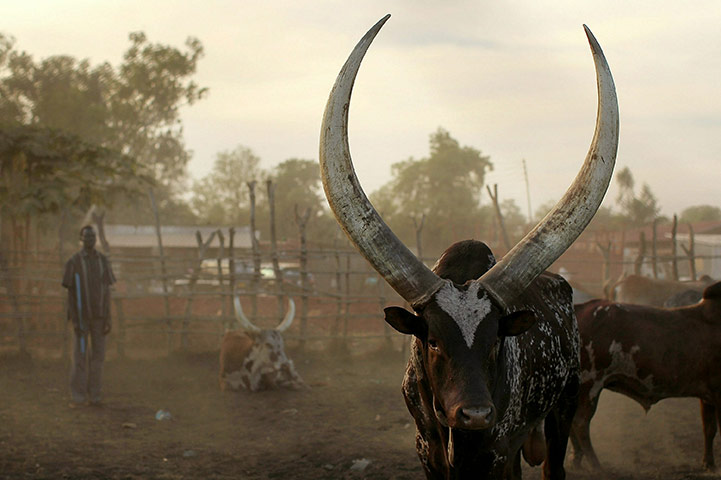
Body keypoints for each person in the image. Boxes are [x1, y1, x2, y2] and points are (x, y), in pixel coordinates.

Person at [62, 225, 116, 407]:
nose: (90, 240)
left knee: (98, 357)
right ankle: (78, 395)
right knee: (80, 355)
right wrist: (74, 319)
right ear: (81, 239)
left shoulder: (103, 261)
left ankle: (95, 395)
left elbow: (107, 291)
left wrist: (108, 318)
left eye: (93, 237)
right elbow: (70, 294)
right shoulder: (74, 262)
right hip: (82, 318)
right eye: (87, 237)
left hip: (99, 318)